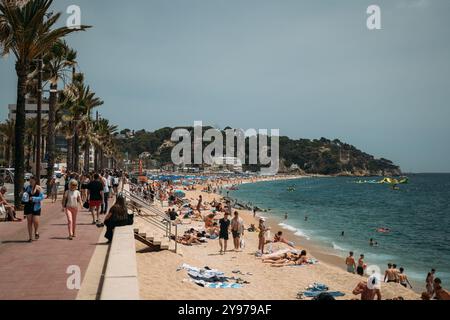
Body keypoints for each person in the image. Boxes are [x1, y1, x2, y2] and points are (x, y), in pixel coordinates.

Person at [22, 176, 45, 242]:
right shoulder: (27, 188)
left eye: (32, 181)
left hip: (36, 206)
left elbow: (42, 197)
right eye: (30, 181)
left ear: (35, 181)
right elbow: (24, 196)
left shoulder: (39, 188)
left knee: (35, 221)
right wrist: (23, 196)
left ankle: (36, 231)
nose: (31, 182)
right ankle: (30, 237)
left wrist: (34, 198)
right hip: (28, 206)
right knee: (29, 222)